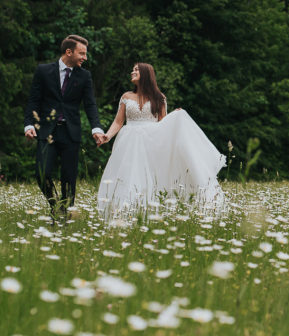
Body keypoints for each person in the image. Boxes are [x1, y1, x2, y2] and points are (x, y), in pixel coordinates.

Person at [96, 62, 225, 220]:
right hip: (129, 142)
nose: (132, 72)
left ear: (146, 73)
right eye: (133, 69)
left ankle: (148, 211)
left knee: (149, 175)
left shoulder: (159, 98)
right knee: (127, 174)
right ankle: (124, 211)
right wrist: (107, 136)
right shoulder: (126, 96)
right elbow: (118, 122)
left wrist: (175, 117)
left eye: (136, 69)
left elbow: (163, 125)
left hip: (151, 141)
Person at [24, 35, 105, 222]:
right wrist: (29, 124)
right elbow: (34, 100)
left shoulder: (85, 76)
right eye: (81, 53)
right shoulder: (44, 71)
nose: (85, 57)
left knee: (69, 178)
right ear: (69, 52)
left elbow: (90, 104)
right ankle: (55, 207)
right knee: (41, 173)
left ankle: (65, 218)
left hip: (71, 133)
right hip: (47, 132)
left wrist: (96, 129)